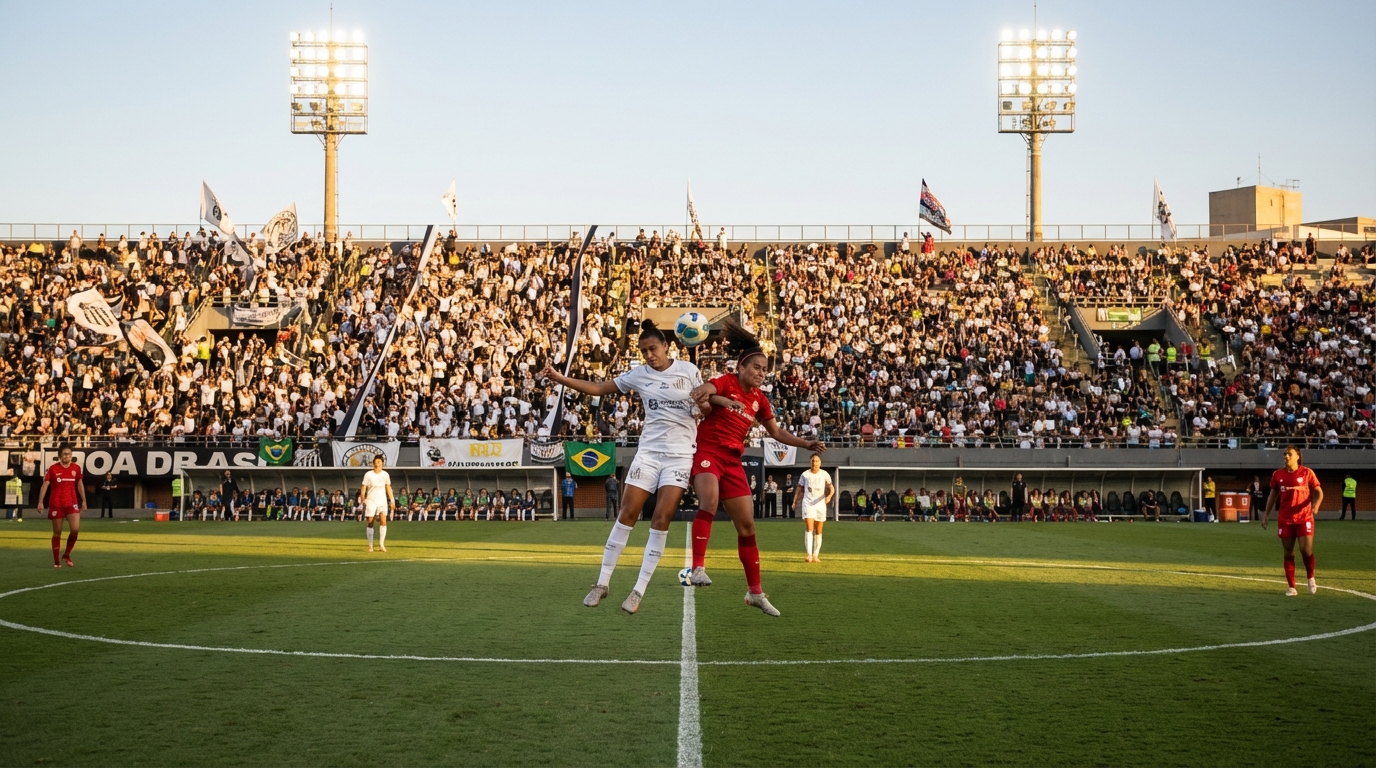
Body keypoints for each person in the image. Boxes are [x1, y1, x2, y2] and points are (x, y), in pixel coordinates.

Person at [545, 319, 706, 615]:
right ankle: (602, 584)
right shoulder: (639, 375)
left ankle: (637, 591)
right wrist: (559, 378)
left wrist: (704, 403)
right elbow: (597, 388)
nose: (649, 355)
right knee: (626, 515)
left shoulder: (689, 371)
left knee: (660, 520)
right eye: (644, 351)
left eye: (653, 349)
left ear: (666, 346)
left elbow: (705, 410)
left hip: (680, 457)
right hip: (648, 453)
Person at [686, 319, 826, 617]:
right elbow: (702, 392)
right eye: (756, 367)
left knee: (747, 527)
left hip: (733, 461)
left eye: (764, 369)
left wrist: (806, 443)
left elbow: (776, 433)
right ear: (741, 367)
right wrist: (725, 401)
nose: (761, 373)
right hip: (708, 451)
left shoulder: (760, 400)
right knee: (709, 502)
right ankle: (697, 567)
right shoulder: (727, 381)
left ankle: (755, 592)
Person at [1262, 446, 1323, 596]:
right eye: (1284, 454)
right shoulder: (1278, 475)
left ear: (1298, 456)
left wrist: (1315, 505)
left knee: (1305, 550)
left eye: (1289, 454)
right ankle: (1292, 587)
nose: (1286, 456)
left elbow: (1319, 492)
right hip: (1285, 518)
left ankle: (1310, 577)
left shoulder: (1307, 472)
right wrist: (1266, 515)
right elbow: (1272, 496)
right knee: (1288, 553)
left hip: (1304, 517)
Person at [37, 444, 86, 567]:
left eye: (69, 454)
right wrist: (40, 501)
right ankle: (56, 561)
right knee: (57, 532)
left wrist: (84, 500)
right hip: (56, 504)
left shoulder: (76, 468)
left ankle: (66, 554)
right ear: (60, 456)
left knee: (75, 530)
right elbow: (45, 485)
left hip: (72, 503)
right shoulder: (53, 469)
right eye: (64, 454)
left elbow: (80, 484)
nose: (67, 456)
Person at [793, 453, 834, 563]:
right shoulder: (805, 475)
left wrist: (829, 496)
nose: (814, 463)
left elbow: (831, 488)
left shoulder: (824, 474)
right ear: (810, 462)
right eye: (813, 460)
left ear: (820, 462)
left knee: (819, 530)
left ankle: (816, 555)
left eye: (816, 461)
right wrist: (795, 501)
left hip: (820, 504)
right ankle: (809, 555)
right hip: (808, 503)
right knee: (809, 528)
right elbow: (799, 489)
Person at [359, 455, 394, 552]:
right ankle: (370, 545)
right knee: (370, 522)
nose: (376, 463)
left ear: (382, 463)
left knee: (383, 522)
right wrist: (362, 497)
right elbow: (364, 486)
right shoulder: (368, 474)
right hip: (371, 500)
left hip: (382, 500)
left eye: (379, 461)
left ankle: (381, 544)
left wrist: (392, 500)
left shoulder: (385, 474)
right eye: (375, 461)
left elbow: (388, 487)